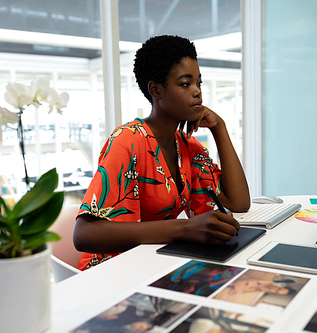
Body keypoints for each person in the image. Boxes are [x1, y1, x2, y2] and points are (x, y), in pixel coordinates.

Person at [73, 35, 250, 270]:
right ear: (156, 89)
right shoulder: (128, 140)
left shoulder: (187, 147)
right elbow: (84, 235)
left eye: (199, 82)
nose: (197, 92)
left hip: (151, 266)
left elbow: (238, 202)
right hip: (110, 272)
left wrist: (220, 128)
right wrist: (185, 228)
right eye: (185, 84)